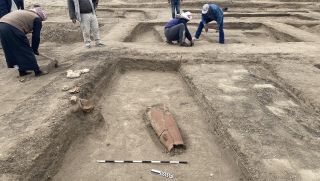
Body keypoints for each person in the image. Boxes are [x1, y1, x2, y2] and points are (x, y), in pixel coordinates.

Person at [0, 7, 47, 77]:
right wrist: (34, 49)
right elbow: (36, 37)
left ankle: (22, 71)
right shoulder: (37, 18)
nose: (41, 22)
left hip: (2, 25)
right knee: (25, 49)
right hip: (11, 27)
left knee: (12, 49)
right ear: (41, 17)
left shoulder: (26, 13)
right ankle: (37, 71)